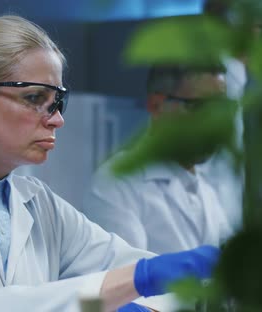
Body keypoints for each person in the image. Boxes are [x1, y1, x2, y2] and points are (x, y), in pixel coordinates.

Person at [0, 15, 221, 312]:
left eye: (58, 101)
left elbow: (121, 265)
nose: (57, 119)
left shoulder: (38, 203)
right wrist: (136, 280)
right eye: (35, 98)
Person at [83, 65, 240, 255]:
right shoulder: (117, 183)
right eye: (199, 106)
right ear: (156, 106)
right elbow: (126, 277)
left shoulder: (206, 190)